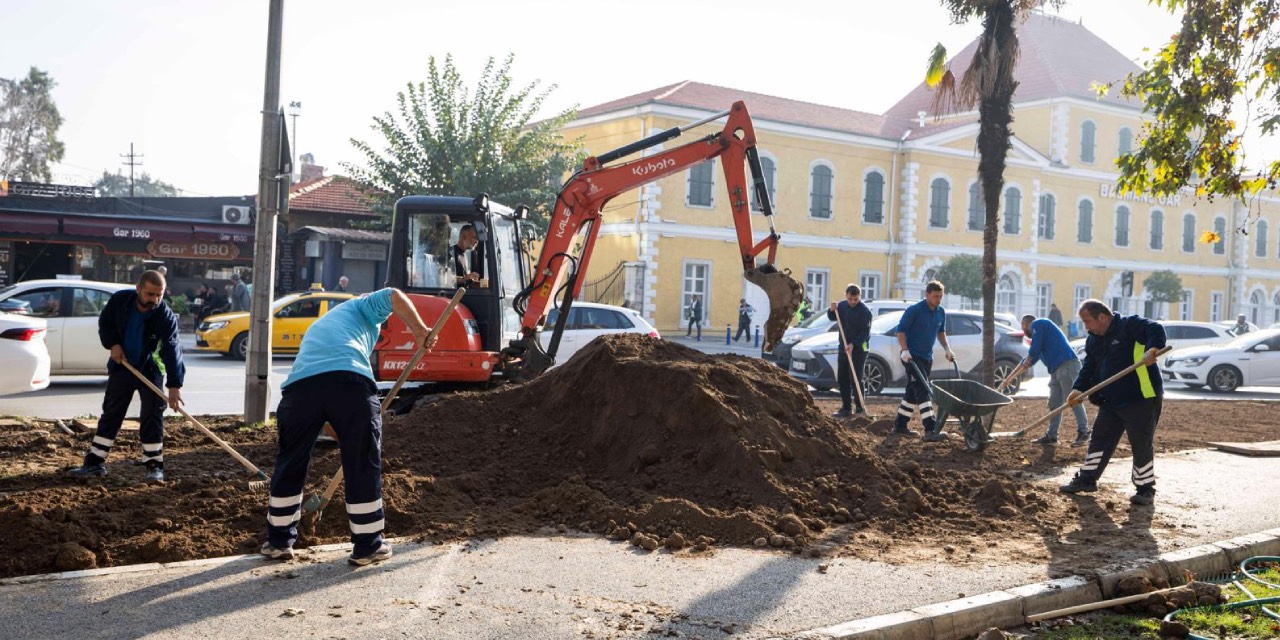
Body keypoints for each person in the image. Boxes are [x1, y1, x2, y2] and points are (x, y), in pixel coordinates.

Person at [262, 287, 435, 566]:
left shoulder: (324, 326)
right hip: (350, 383)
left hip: (299, 392)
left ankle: (278, 542)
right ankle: (368, 545)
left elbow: (322, 391)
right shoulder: (362, 306)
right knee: (362, 462)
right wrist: (420, 331)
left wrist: (338, 425)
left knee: (290, 461)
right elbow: (393, 295)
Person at [65, 270, 185, 483]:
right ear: (138, 289)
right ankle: (95, 463)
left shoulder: (164, 315)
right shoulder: (120, 301)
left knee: (151, 417)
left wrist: (174, 385)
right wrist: (113, 344)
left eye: (160, 295)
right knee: (112, 413)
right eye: (150, 294)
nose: (155, 300)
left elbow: (172, 348)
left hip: (151, 369)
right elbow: (106, 324)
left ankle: (154, 466)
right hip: (124, 366)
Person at [1059, 300, 1167, 506]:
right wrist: (1078, 389)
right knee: (1100, 438)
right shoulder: (1094, 339)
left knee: (1140, 443)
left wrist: (1153, 348)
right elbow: (1089, 366)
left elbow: (1156, 328)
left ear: (1102, 317)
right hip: (1110, 400)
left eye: (1087, 321)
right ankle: (1087, 479)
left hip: (1141, 397)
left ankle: (1145, 489)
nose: (1086, 327)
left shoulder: (1129, 326)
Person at [894, 281, 955, 439]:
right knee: (923, 389)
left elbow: (941, 332)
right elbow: (900, 331)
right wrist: (905, 350)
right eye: (935, 296)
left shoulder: (941, 312)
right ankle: (930, 429)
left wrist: (947, 349)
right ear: (927, 295)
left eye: (940, 296)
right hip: (912, 357)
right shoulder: (915, 310)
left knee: (912, 393)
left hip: (927, 357)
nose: (938, 299)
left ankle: (900, 425)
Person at [1019, 314, 1090, 446]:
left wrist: (1028, 359)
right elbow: (1033, 356)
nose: (1024, 332)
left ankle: (1084, 432)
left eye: (1023, 328)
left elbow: (1033, 351)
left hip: (1067, 364)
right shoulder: (1040, 338)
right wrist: (1023, 364)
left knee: (1073, 399)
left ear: (1025, 324)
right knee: (1054, 403)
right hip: (1056, 370)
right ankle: (1052, 436)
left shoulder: (1039, 323)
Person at [828, 284, 872, 417]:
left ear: (860, 297)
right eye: (850, 299)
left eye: (856, 299)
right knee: (843, 378)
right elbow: (832, 317)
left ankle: (860, 408)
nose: (853, 302)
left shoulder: (865, 311)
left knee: (856, 379)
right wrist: (831, 310)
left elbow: (865, 332)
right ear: (846, 296)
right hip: (843, 348)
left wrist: (854, 344)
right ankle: (846, 408)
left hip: (859, 349)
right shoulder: (842, 306)